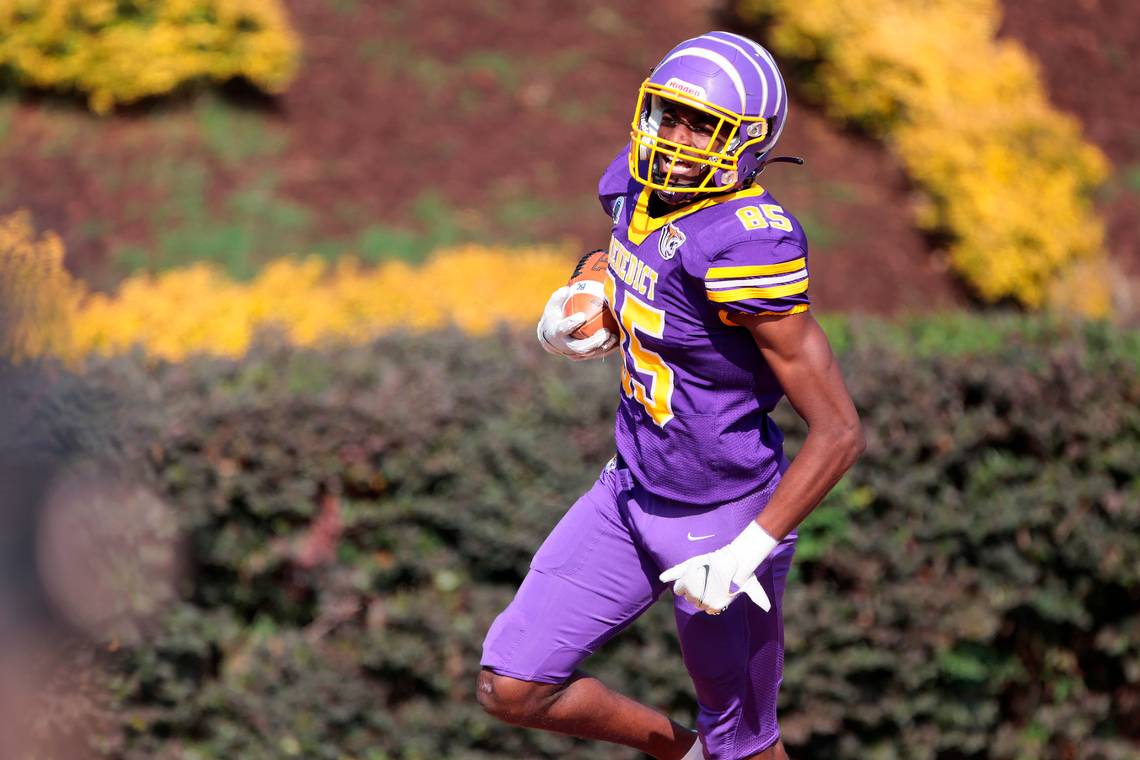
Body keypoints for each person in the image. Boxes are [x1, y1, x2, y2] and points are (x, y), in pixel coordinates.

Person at [477, 31, 864, 760]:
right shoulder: (637, 181)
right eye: (671, 116)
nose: (677, 141)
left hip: (724, 514)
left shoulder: (746, 241)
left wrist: (749, 549)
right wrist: (592, 281)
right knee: (512, 686)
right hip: (629, 489)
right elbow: (623, 246)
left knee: (744, 746)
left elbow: (839, 430)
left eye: (703, 126)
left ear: (748, 142)